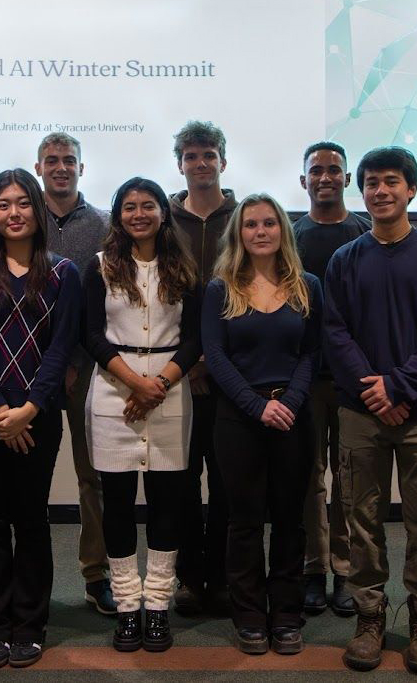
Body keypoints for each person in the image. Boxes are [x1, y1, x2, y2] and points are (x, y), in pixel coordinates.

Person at [324, 146, 417, 674]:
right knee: (361, 518)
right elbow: (335, 334)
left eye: (391, 181)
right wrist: (374, 393)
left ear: (411, 189)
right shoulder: (345, 259)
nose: (381, 191)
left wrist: (400, 389)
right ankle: (369, 617)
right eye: (372, 183)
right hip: (361, 414)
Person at [0, 169, 82, 669]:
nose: (13, 213)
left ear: (38, 210)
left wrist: (28, 409)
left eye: (22, 203)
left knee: (31, 520)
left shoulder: (64, 273)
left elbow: (61, 349)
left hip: (38, 416)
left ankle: (29, 624)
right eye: (3, 204)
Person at [82, 177, 201, 653]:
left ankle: (157, 606)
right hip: (114, 392)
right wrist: (136, 383)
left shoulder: (183, 267)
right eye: (129, 207)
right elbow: (89, 334)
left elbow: (194, 338)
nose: (138, 214)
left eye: (147, 206)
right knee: (117, 503)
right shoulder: (98, 268)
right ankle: (127, 607)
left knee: (167, 502)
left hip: (171, 390)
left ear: (162, 213)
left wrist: (161, 383)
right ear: (118, 215)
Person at [202, 193, 323, 655]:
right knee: (245, 521)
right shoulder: (221, 288)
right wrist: (257, 407)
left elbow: (312, 352)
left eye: (269, 223)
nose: (260, 231)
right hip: (239, 419)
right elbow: (215, 356)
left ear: (283, 231)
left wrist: (288, 401)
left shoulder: (307, 284)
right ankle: (250, 616)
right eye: (251, 224)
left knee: (291, 522)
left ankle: (287, 615)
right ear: (239, 233)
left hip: (292, 416)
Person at [34, 131, 115, 615]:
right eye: (51, 160)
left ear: (82, 169)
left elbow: (107, 304)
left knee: (94, 478)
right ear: (39, 166)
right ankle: (31, 579)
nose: (60, 167)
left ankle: (96, 575)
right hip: (31, 372)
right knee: (29, 481)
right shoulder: (20, 218)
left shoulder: (106, 225)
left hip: (87, 371)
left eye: (69, 160)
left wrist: (80, 361)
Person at [293, 141, 370, 616]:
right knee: (308, 480)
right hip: (304, 377)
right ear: (303, 181)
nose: (325, 177)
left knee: (350, 480)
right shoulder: (288, 235)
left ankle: (345, 570)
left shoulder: (366, 231)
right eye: (315, 171)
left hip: (355, 378)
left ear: (346, 179)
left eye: (334, 170)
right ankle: (312, 570)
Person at [169, 120, 237, 615]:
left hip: (234, 374)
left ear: (222, 161)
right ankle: (190, 578)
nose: (200, 163)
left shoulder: (244, 217)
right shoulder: (164, 219)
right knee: (183, 483)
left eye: (208, 154)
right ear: (181, 164)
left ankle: (226, 578)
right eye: (191, 156)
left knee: (231, 480)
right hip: (176, 374)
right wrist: (187, 363)